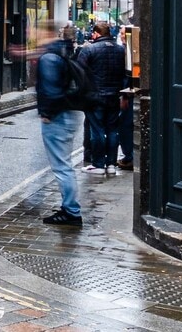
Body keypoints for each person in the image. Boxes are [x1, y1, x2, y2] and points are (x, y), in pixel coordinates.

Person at [36, 20, 85, 227]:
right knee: (64, 164)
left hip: (59, 117)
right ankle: (69, 208)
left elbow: (51, 91)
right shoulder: (63, 51)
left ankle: (71, 211)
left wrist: (47, 113)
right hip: (69, 113)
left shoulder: (49, 57)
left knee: (62, 167)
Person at [78, 23, 128, 177]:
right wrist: (124, 95)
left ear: (96, 33)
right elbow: (126, 74)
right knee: (112, 130)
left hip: (95, 96)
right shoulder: (121, 50)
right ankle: (111, 164)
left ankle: (98, 164)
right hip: (114, 96)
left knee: (97, 130)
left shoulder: (89, 50)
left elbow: (79, 72)